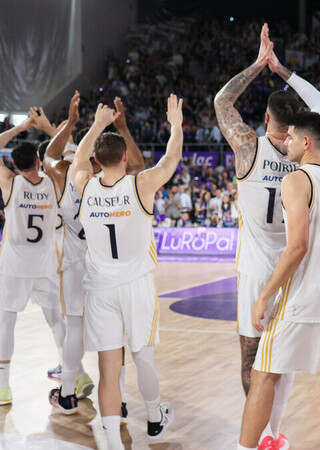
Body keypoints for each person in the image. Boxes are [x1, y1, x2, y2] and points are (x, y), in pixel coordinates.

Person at [238, 112, 320, 450]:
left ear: (306, 143)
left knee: (262, 375)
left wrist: (264, 295)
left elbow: (298, 246)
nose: (285, 142)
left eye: (289, 137)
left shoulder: (297, 179)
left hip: (305, 298)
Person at [72, 96, 183, 449]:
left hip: (100, 289)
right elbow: (171, 159)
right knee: (142, 356)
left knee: (108, 369)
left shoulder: (84, 185)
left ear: (96, 160)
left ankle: (113, 444)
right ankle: (153, 419)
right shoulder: (141, 184)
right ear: (124, 157)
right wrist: (176, 125)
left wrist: (96, 124)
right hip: (136, 285)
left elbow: (77, 159)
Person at [214, 23, 301, 450]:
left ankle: (261, 437)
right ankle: (274, 432)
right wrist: (283, 70)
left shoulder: (249, 147)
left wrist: (258, 63)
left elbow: (222, 101)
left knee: (251, 358)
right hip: (293, 270)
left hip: (254, 272)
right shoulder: (307, 156)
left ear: (266, 118)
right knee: (281, 359)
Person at [44, 93, 145, 415]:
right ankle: (121, 402)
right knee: (115, 339)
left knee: (74, 329)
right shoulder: (120, 182)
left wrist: (75, 122)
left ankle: (68, 394)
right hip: (106, 267)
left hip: (75, 265)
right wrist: (123, 127)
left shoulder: (64, 177)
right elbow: (139, 164)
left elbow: (49, 154)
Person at [0, 115, 61, 406]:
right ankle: (76, 372)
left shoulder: (9, 182)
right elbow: (67, 152)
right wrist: (48, 129)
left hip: (15, 264)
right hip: (45, 262)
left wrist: (20, 127)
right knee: (56, 320)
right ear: (38, 162)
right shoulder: (53, 183)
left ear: (14, 165)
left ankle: (3, 387)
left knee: (6, 322)